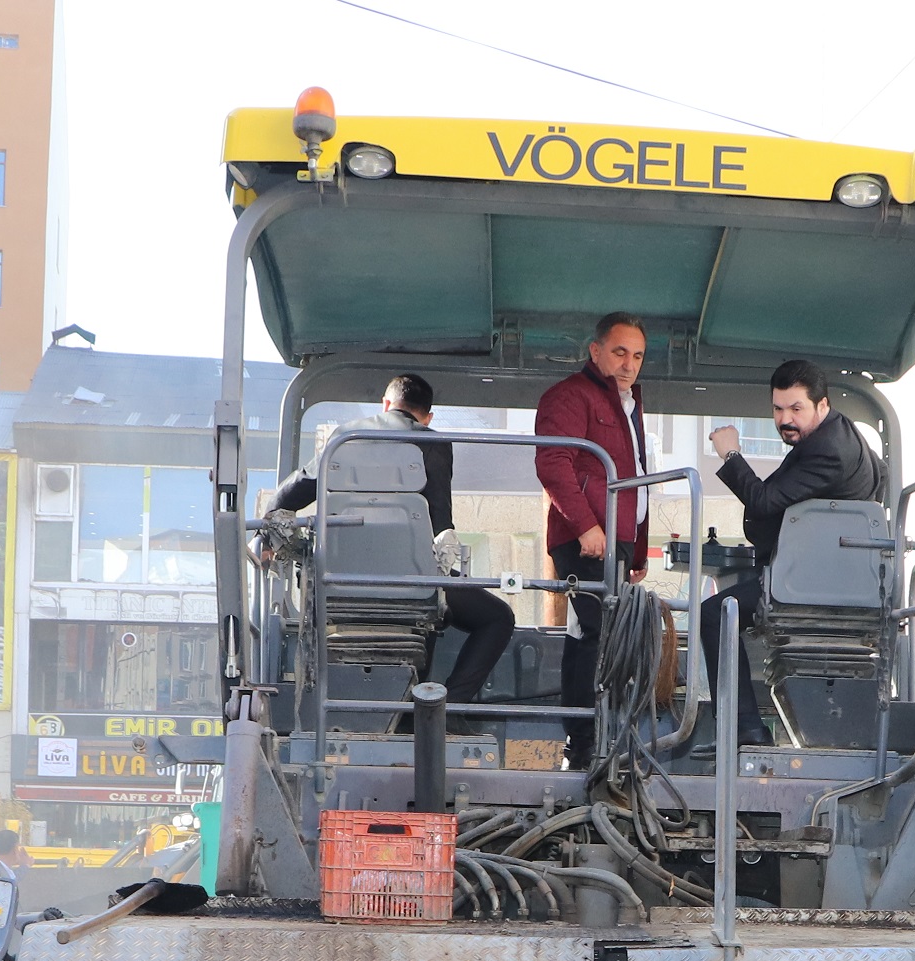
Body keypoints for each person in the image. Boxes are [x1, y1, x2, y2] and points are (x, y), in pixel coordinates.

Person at [276, 374, 516, 708]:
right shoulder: (433, 443)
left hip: (338, 587)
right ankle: (442, 708)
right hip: (413, 587)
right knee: (497, 617)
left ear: (385, 405)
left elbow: (288, 494)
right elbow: (440, 523)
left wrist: (267, 537)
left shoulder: (343, 439)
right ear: (427, 416)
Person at [703, 361, 887, 744]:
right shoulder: (841, 433)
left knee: (715, 614)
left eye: (796, 409)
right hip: (823, 572)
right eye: (777, 409)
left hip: (816, 581)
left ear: (822, 405)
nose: (785, 419)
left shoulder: (828, 452)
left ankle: (744, 730)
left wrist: (731, 456)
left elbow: (765, 501)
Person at [533, 313, 653, 768]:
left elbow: (635, 475)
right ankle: (587, 743)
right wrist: (586, 526)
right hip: (585, 537)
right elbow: (552, 462)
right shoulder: (569, 395)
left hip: (615, 540)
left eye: (638, 355)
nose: (629, 364)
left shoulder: (629, 403)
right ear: (595, 350)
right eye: (620, 352)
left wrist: (637, 550)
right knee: (603, 633)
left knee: (591, 632)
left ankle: (588, 741)